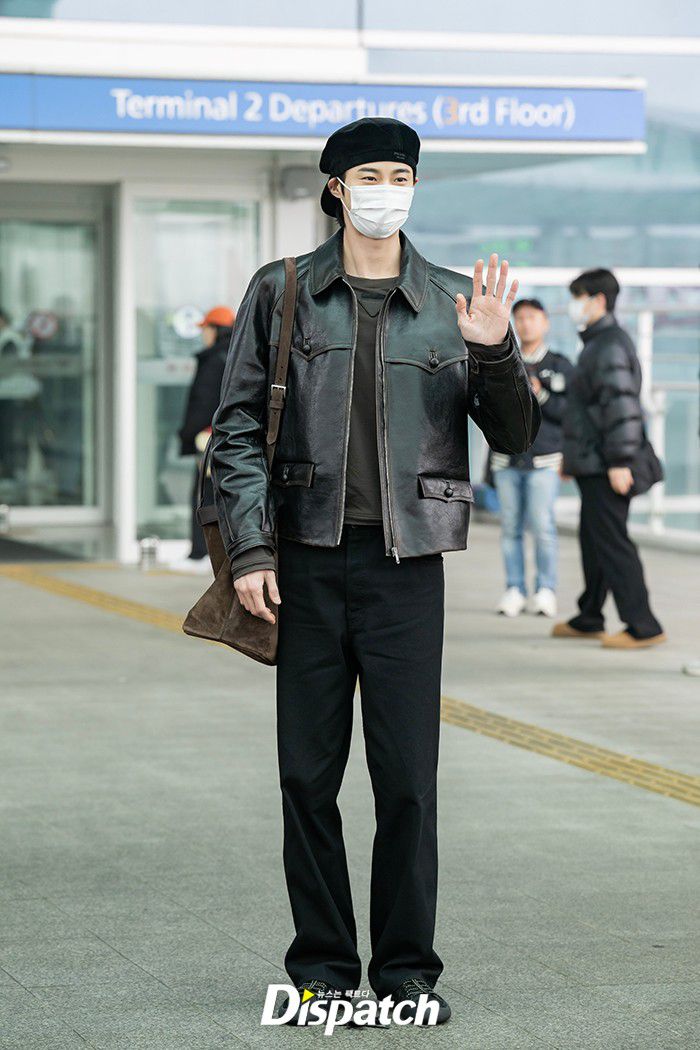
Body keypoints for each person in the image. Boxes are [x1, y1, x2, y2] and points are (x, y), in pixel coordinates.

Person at [209, 117, 540, 1026]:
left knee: (407, 783)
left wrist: (494, 349)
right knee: (307, 779)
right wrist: (251, 550)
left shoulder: (453, 301)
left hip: (408, 570)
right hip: (306, 564)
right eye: (370, 175)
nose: (386, 190)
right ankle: (322, 966)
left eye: (401, 175)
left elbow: (517, 437)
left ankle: (405, 972)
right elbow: (235, 431)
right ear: (336, 188)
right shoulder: (282, 289)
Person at [553, 268, 666, 649]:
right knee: (594, 538)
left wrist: (620, 460)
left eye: (579, 297)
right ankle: (590, 616)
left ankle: (643, 625)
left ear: (598, 300)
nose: (575, 305)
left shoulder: (608, 345)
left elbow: (622, 407)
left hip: (607, 464)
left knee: (612, 542)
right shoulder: (598, 343)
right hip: (593, 461)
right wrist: (571, 458)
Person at [491, 298, 573, 617]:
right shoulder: (503, 360)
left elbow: (570, 412)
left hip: (545, 460)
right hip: (506, 459)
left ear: (545, 322)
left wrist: (541, 394)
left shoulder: (560, 364)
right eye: (520, 318)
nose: (526, 324)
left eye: (532, 317)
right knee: (510, 527)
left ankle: (545, 590)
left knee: (543, 526)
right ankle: (514, 589)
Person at [171, 306, 234, 572]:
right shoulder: (236, 356)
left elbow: (202, 403)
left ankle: (201, 554)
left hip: (209, 440)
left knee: (204, 497)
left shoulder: (214, 360)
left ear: (215, 330)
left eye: (206, 329)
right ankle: (213, 554)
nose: (203, 335)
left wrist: (187, 433)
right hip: (228, 440)